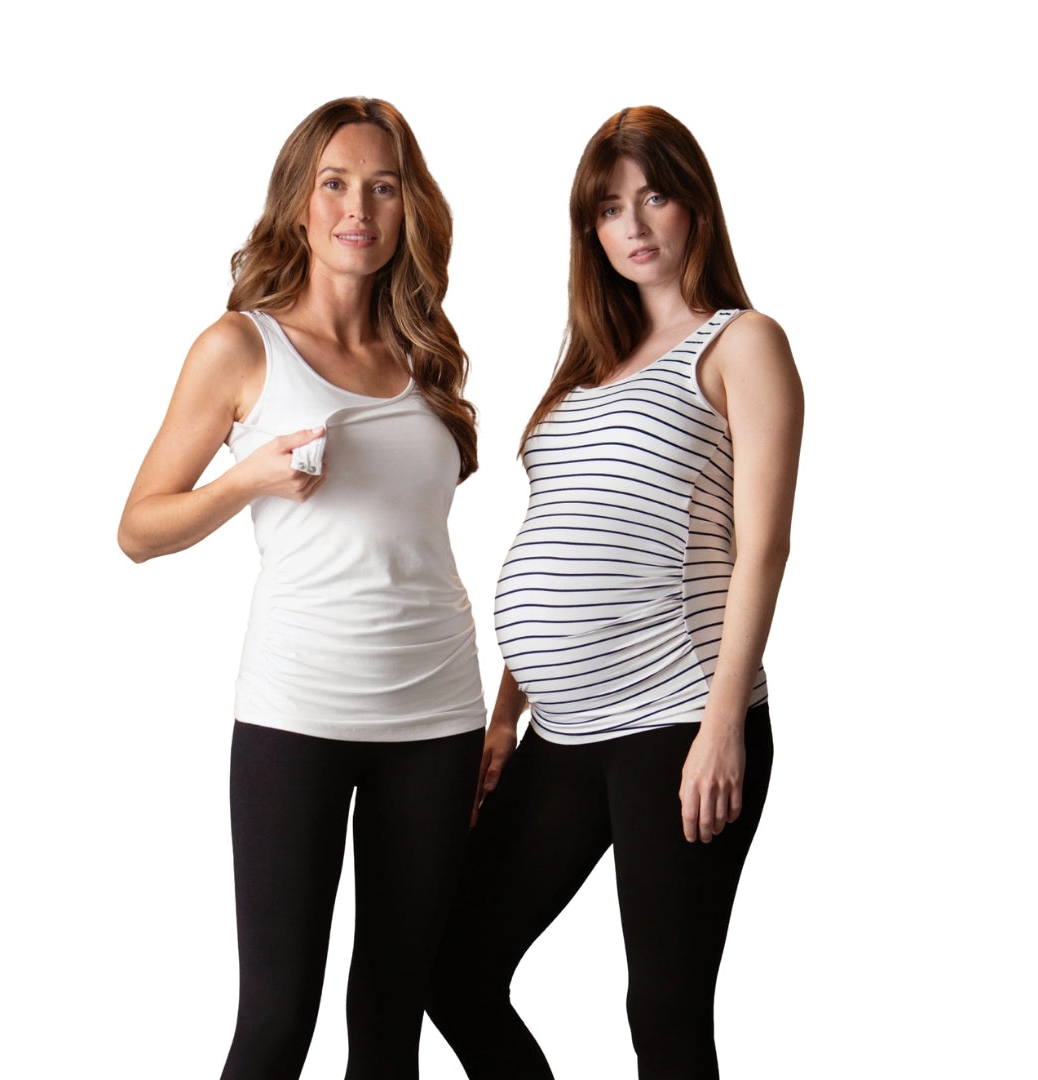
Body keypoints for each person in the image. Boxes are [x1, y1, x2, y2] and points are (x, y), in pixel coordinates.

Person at [426, 105, 803, 1079]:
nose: (632, 225)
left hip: (678, 718)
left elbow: (763, 549)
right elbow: (560, 540)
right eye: (607, 208)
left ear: (695, 206)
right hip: (561, 732)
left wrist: (722, 726)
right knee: (452, 968)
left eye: (655, 196)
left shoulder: (741, 343)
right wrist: (505, 716)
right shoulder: (585, 372)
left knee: (663, 1015)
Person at [117, 97, 486, 1080]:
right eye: (334, 183)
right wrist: (246, 479)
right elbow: (138, 528)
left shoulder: (423, 356)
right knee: (277, 1021)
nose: (358, 208)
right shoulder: (241, 347)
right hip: (299, 714)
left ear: (409, 208)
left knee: (390, 1026)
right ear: (298, 201)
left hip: (438, 718)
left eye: (383, 186)